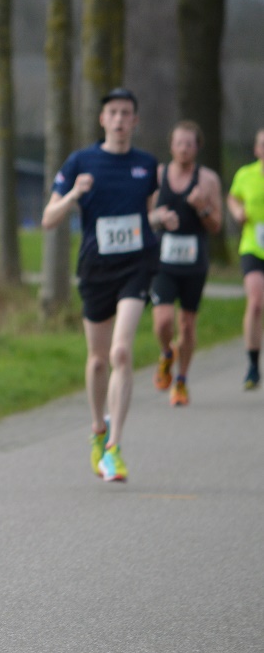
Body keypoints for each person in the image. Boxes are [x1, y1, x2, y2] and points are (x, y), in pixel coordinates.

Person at [42, 88, 160, 483]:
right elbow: (48, 219)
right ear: (102, 119)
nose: (121, 120)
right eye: (113, 113)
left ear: (136, 120)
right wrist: (75, 193)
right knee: (97, 360)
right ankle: (97, 428)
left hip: (137, 267)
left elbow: (149, 214)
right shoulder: (81, 161)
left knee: (121, 352)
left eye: (127, 113)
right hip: (95, 269)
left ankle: (115, 447)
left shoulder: (147, 165)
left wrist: (162, 221)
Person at [148, 121, 223, 406]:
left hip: (194, 262)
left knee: (188, 326)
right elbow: (144, 218)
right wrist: (158, 219)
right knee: (163, 321)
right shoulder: (157, 176)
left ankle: (181, 381)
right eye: (178, 143)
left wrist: (201, 206)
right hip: (163, 261)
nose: (183, 149)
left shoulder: (208, 180)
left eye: (189, 144)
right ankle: (167, 353)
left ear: (197, 147)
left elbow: (216, 225)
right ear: (171, 146)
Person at [227, 127, 264, 390]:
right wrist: (238, 211)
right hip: (253, 245)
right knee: (256, 302)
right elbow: (232, 197)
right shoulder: (245, 175)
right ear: (256, 149)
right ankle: (253, 365)